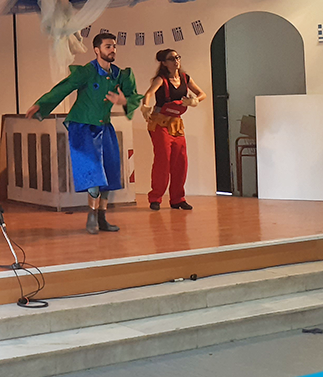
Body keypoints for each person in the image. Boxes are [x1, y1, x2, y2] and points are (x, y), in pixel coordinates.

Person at [26, 32, 142, 234]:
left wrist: (124, 101)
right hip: (83, 127)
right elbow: (63, 88)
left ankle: (102, 217)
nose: (112, 50)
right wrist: (41, 104)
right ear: (97, 50)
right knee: (93, 174)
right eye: (108, 46)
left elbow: (133, 97)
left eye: (114, 46)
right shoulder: (87, 72)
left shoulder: (120, 74)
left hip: (104, 128)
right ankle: (92, 216)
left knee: (110, 172)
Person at [141, 48, 206, 211]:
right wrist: (145, 107)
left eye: (178, 57)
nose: (176, 61)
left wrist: (195, 101)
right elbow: (148, 94)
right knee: (163, 160)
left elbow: (202, 93)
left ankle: (178, 199)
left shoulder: (185, 78)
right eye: (172, 58)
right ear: (164, 63)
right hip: (160, 123)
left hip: (176, 124)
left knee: (180, 161)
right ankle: (155, 198)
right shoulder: (161, 79)